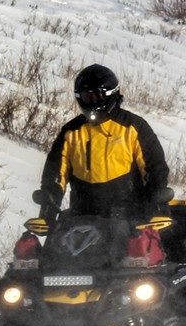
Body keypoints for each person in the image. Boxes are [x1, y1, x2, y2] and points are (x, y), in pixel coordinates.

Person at [37, 64, 170, 221]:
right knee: (43, 244)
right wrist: (48, 206)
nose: (93, 101)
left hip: (128, 217)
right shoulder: (71, 132)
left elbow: (154, 167)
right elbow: (56, 173)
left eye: (98, 96)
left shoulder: (133, 127)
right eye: (87, 96)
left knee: (139, 244)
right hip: (81, 216)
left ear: (110, 95)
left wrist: (156, 201)